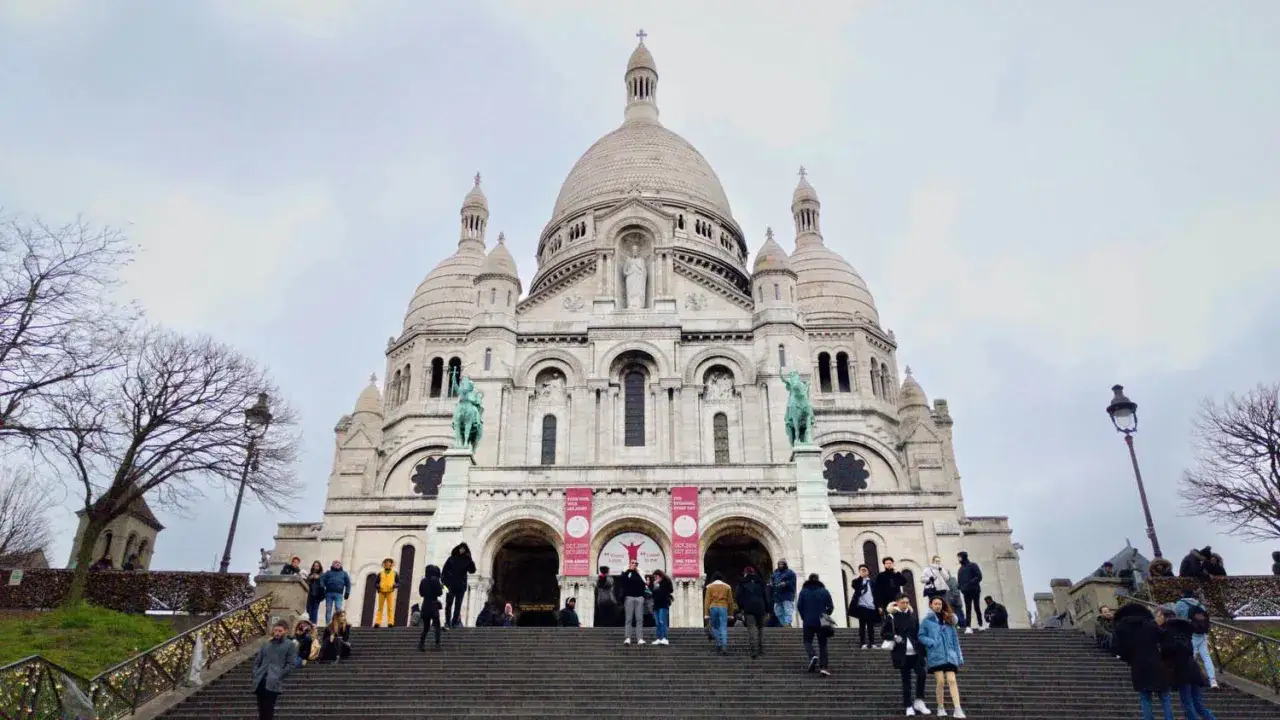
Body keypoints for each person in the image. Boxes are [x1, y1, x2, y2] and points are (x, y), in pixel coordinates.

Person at [1113, 603, 1174, 720]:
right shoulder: (1151, 625)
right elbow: (1165, 638)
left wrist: (1129, 659)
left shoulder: (1122, 628)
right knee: (1165, 698)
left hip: (1138, 666)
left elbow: (1119, 649)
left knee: (1145, 698)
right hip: (1156, 663)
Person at [1157, 604, 1217, 720]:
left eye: (1158, 616)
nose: (1157, 619)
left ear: (1164, 617)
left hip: (1181, 670)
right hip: (1193, 668)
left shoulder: (1165, 631)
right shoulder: (1184, 628)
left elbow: (1167, 652)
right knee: (1198, 704)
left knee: (1187, 702)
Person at [918, 596, 966, 718]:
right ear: (931, 605)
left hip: (949, 654)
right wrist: (931, 643)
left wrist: (958, 655)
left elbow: (955, 639)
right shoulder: (926, 621)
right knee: (940, 681)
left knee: (952, 680)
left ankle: (957, 708)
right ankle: (940, 707)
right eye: (935, 604)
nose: (938, 606)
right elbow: (921, 635)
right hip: (936, 654)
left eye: (940, 604)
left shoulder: (949, 619)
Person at [884, 594, 930, 716]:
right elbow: (884, 633)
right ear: (897, 603)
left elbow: (919, 633)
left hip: (916, 652)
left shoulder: (912, 616)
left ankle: (919, 701)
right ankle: (908, 705)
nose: (905, 604)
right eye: (903, 602)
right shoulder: (891, 617)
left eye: (907, 602)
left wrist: (924, 652)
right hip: (902, 653)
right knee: (906, 680)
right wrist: (894, 636)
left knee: (922, 673)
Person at [251, 619, 296, 720]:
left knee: (268, 709)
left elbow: (291, 664)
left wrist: (279, 675)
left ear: (285, 631)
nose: (277, 633)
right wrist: (255, 673)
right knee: (261, 709)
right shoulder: (267, 644)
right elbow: (257, 661)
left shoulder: (290, 644)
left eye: (280, 631)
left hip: (273, 681)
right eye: (275, 630)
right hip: (260, 680)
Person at [1175, 589, 1218, 689]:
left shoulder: (1179, 604)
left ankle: (1191, 679)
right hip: (1201, 634)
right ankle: (1213, 680)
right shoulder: (1200, 605)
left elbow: (1176, 617)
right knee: (1206, 657)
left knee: (1191, 656)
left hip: (1189, 634)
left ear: (1183, 594)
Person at [796, 573, 834, 677]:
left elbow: (799, 606)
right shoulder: (824, 591)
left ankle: (812, 655)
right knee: (823, 644)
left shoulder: (803, 591)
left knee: (807, 641)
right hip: (822, 621)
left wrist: (804, 616)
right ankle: (823, 667)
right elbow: (830, 607)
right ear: (818, 580)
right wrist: (826, 614)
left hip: (808, 620)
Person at [735, 565, 768, 658]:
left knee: (751, 628)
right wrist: (767, 609)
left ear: (745, 573)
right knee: (761, 628)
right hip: (761, 608)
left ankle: (754, 650)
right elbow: (766, 596)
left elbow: (738, 596)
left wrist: (741, 608)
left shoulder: (742, 583)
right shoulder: (761, 582)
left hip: (748, 608)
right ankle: (762, 648)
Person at [441, 543, 476, 629]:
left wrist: (471, 560)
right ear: (458, 549)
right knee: (448, 605)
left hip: (461, 587)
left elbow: (472, 571)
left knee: (458, 605)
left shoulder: (467, 560)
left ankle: (454, 623)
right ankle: (447, 622)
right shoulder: (451, 559)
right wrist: (444, 586)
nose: (462, 550)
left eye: (464, 549)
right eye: (461, 548)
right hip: (450, 586)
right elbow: (444, 573)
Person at [873, 558, 907, 645]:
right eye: (887, 563)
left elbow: (904, 582)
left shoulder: (896, 574)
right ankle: (889, 637)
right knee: (889, 619)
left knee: (899, 618)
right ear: (884, 565)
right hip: (886, 602)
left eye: (890, 563)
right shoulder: (881, 576)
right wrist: (879, 605)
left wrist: (897, 573)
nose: (889, 564)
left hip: (897, 601)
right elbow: (877, 591)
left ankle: (900, 637)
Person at [848, 564, 879, 649]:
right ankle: (863, 643)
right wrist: (861, 577)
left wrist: (878, 606)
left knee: (871, 626)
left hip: (871, 607)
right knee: (862, 626)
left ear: (868, 571)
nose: (864, 571)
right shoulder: (857, 581)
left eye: (865, 570)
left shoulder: (872, 582)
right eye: (862, 570)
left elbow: (876, 594)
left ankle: (872, 643)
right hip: (861, 606)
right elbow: (855, 586)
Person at [703, 571, 734, 655]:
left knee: (715, 627)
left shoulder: (709, 587)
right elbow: (730, 601)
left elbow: (707, 601)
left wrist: (706, 614)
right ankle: (724, 646)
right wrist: (731, 614)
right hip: (723, 607)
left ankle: (718, 644)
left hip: (713, 607)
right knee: (723, 628)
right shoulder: (727, 587)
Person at [619, 559, 647, 645]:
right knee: (629, 619)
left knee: (639, 619)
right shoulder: (626, 572)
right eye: (633, 563)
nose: (634, 564)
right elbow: (623, 580)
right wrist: (626, 571)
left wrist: (643, 597)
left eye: (636, 563)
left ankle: (640, 639)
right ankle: (627, 638)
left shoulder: (640, 573)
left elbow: (644, 584)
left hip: (639, 598)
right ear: (629, 564)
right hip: (629, 597)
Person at [417, 563, 444, 651]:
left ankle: (421, 644)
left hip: (425, 605)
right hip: (433, 605)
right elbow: (439, 593)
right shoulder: (435, 580)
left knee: (426, 627)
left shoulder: (423, 580)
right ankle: (437, 644)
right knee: (437, 626)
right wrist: (441, 587)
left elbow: (421, 593)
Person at [956, 551, 983, 633]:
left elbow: (979, 576)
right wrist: (961, 588)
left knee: (977, 607)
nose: (958, 559)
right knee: (968, 609)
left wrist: (970, 583)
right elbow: (959, 581)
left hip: (975, 590)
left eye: (959, 557)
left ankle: (980, 624)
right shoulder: (960, 569)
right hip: (966, 592)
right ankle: (968, 626)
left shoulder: (973, 565)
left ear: (963, 557)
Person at [373, 557, 400, 628]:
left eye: (388, 563)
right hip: (381, 592)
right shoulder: (380, 573)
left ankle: (390, 622)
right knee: (380, 608)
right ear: (384, 564)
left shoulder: (394, 573)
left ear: (391, 564)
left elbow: (398, 583)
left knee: (390, 608)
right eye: (386, 563)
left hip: (390, 592)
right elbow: (375, 583)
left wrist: (395, 585)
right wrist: (378, 586)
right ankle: (377, 622)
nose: (387, 564)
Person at [770, 559, 797, 627]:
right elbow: (772, 579)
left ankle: (788, 623)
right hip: (777, 596)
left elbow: (792, 582)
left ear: (785, 565)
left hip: (787, 595)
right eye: (779, 564)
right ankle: (784, 624)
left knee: (788, 610)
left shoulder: (790, 573)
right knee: (778, 612)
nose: (780, 565)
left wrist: (785, 583)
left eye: (782, 564)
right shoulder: (776, 572)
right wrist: (771, 584)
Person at [650, 570, 674, 645]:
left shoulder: (666, 582)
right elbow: (653, 595)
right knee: (657, 623)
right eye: (654, 577)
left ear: (660, 576)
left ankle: (665, 638)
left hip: (663, 605)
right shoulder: (655, 584)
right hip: (656, 606)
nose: (655, 578)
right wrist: (655, 586)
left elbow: (665, 592)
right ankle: (659, 638)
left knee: (662, 622)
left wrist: (658, 586)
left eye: (656, 576)